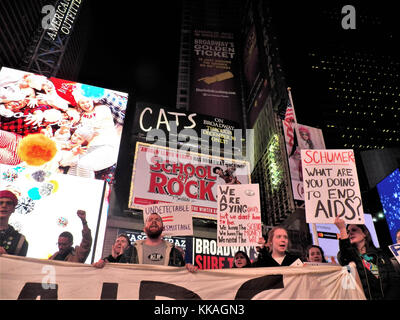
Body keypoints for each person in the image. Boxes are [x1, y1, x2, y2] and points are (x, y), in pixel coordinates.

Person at [334, 217, 400, 300]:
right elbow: (345, 256)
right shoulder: (346, 255)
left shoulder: (380, 254)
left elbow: (394, 281)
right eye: (348, 232)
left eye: (354, 230)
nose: (350, 233)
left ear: (364, 233)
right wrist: (342, 229)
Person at [120, 212, 197, 272]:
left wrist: (187, 269)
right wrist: (109, 262)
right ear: (144, 229)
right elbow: (118, 271)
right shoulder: (131, 252)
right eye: (150, 220)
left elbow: (181, 278)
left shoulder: (175, 253)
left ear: (163, 228)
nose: (154, 221)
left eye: (157, 220)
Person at [0, 190, 28, 256]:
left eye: (9, 203)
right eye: (0, 202)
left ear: (13, 209)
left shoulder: (20, 240)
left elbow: (20, 265)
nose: (4, 205)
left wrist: (6, 256)